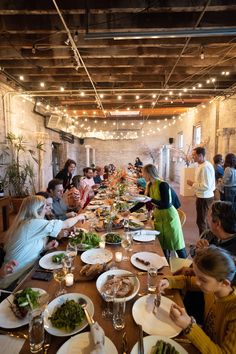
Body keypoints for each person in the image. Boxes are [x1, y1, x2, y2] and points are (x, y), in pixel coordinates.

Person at [159, 246, 236, 354]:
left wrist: (189, 326)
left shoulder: (232, 311)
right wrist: (169, 281)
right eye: (196, 275)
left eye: (202, 279)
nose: (197, 282)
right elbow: (188, 281)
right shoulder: (213, 288)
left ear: (224, 283)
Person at [0, 195, 85, 289]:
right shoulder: (30, 224)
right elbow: (66, 224)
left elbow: (27, 250)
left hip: (28, 273)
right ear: (36, 210)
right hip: (13, 283)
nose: (47, 210)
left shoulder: (26, 223)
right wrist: (80, 216)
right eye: (45, 207)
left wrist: (45, 248)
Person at [131, 164, 186, 259]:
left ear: (149, 173)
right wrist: (129, 211)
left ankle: (188, 267)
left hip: (169, 217)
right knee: (162, 244)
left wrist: (150, 199)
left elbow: (166, 204)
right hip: (159, 217)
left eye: (143, 173)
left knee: (177, 245)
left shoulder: (163, 184)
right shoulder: (150, 185)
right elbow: (143, 202)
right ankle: (166, 262)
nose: (142, 175)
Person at [187, 147, 215, 235]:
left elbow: (206, 186)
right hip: (203, 196)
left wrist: (192, 184)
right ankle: (206, 241)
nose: (192, 157)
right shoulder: (201, 165)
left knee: (201, 221)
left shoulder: (205, 167)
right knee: (203, 220)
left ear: (200, 155)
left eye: (194, 155)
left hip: (204, 197)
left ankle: (204, 243)